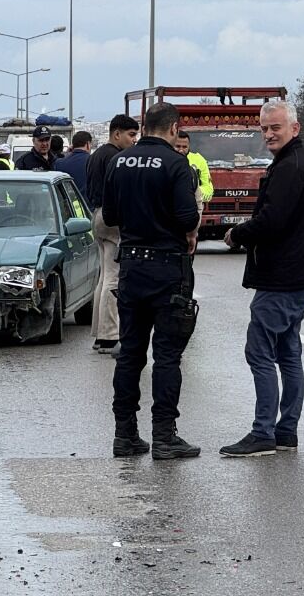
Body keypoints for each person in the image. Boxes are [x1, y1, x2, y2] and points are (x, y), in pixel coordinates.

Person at [220, 101, 304, 458]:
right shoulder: (298, 164)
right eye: (264, 129)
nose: (268, 134)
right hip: (300, 277)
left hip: (283, 279)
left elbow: (272, 221)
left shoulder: (290, 168)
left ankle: (263, 432)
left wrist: (238, 234)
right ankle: (286, 431)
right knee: (288, 353)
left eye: (275, 127)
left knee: (260, 352)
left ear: (295, 128)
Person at [103, 102, 202, 460]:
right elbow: (187, 216)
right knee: (167, 356)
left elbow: (110, 215)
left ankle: (124, 434)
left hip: (131, 265)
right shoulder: (177, 164)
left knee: (130, 354)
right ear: (174, 128)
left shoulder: (119, 162)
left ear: (144, 126)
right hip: (167, 269)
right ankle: (164, 435)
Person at [85, 114, 139, 355]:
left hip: (97, 215)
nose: (134, 140)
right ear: (116, 133)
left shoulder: (96, 155)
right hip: (112, 218)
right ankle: (109, 336)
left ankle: (99, 334)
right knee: (114, 278)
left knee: (104, 276)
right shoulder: (117, 158)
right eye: (131, 135)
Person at [174, 130, 213, 212]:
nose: (181, 150)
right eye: (178, 146)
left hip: (192, 211)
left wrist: (192, 194)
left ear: (189, 147)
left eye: (184, 147)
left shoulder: (199, 160)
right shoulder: (165, 160)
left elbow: (209, 191)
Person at [54, 131, 93, 200]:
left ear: (73, 145)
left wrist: (66, 155)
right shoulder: (93, 161)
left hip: (67, 207)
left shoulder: (59, 163)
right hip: (88, 207)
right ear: (88, 144)